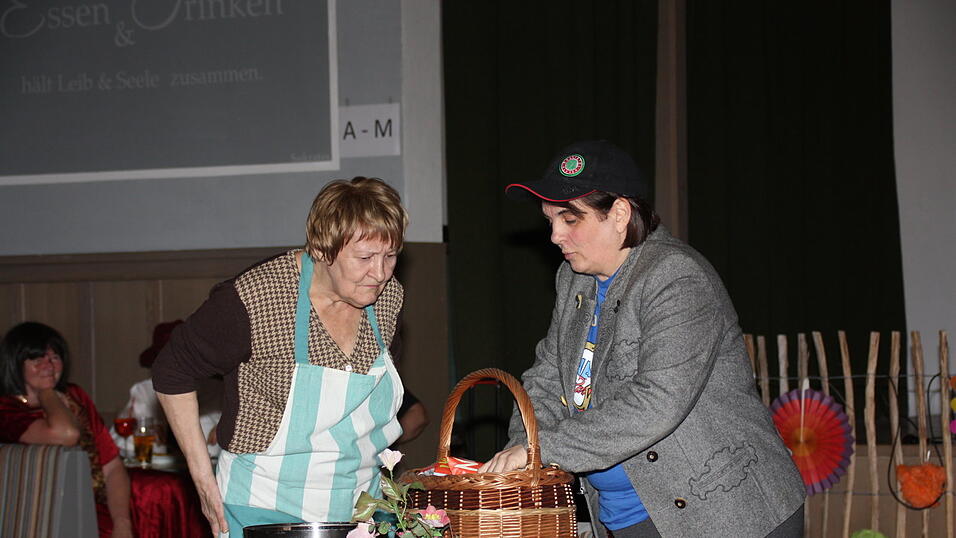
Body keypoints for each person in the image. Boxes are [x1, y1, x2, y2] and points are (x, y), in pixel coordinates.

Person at [479, 141, 805, 537]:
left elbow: (657, 402)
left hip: (726, 513)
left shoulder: (676, 276)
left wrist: (540, 449)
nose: (555, 235)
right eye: (550, 221)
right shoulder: (573, 280)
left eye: (570, 219)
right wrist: (523, 449)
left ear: (619, 214)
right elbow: (547, 378)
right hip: (628, 517)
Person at [153, 176, 408, 536]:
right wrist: (201, 478)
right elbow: (171, 370)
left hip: (361, 508)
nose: (380, 273)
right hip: (262, 510)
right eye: (365, 257)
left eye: (390, 255)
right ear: (322, 250)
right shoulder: (257, 298)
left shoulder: (388, 298)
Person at [0, 322, 134, 538]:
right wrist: (47, 393)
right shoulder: (7, 408)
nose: (48, 366)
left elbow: (112, 466)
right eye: (37, 359)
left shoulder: (75, 395)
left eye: (54, 357)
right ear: (16, 364)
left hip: (89, 509)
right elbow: (66, 434)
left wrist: (122, 524)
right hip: (35, 516)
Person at [110, 320, 222, 459]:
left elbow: (211, 447)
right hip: (155, 468)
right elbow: (121, 443)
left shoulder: (214, 390)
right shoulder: (144, 391)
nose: (173, 368)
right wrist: (148, 434)